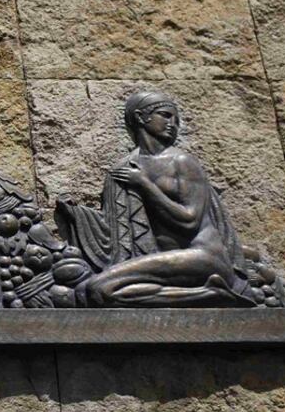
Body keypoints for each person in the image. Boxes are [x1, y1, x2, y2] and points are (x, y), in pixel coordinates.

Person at [54, 91, 258, 307]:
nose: (173, 124)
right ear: (142, 117)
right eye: (165, 115)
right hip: (166, 265)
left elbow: (190, 220)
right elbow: (117, 231)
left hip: (204, 258)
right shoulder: (124, 169)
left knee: (97, 288)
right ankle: (209, 294)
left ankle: (214, 291)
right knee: (95, 292)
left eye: (176, 119)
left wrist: (144, 184)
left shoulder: (182, 162)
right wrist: (78, 216)